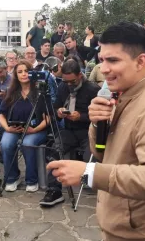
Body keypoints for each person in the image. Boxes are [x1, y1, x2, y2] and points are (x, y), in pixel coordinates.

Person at [47, 22, 145, 240]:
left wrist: (88, 173)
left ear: (141, 61)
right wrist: (95, 123)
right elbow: (104, 153)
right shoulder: (126, 95)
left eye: (113, 60)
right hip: (124, 227)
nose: (103, 69)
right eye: (102, 60)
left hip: (143, 234)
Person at [40, 57, 100, 207]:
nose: (69, 85)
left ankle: (91, 184)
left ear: (80, 75)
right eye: (65, 81)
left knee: (90, 155)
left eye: (72, 81)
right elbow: (53, 109)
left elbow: (100, 117)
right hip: (69, 130)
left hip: (88, 131)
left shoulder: (93, 89)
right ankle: (54, 190)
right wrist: (58, 112)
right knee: (55, 150)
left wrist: (82, 116)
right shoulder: (63, 87)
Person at [0, 60, 48, 193]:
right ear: (16, 75)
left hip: (36, 130)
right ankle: (12, 178)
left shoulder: (39, 91)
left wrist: (34, 130)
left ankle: (32, 179)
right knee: (5, 143)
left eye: (26, 71)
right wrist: (7, 128)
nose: (23, 74)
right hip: (15, 128)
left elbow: (48, 118)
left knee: (27, 143)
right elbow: (1, 115)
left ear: (31, 72)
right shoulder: (12, 92)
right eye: (20, 72)